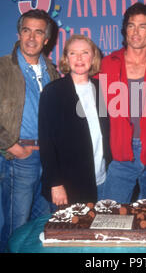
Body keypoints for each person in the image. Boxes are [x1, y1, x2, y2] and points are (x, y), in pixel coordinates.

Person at [0, 9, 61, 252]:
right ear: (19, 34)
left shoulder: (52, 71)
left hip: (49, 160)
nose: (31, 37)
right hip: (21, 159)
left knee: (43, 227)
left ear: (47, 39)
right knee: (16, 228)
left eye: (38, 32)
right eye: (26, 30)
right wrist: (14, 147)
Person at [99, 2, 146, 203]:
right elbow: (94, 103)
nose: (135, 31)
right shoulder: (108, 63)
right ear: (125, 29)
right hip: (120, 152)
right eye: (131, 25)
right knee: (111, 218)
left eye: (142, 26)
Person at [39, 34, 111, 207]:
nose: (79, 58)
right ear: (66, 58)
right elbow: (46, 142)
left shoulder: (100, 88)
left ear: (93, 57)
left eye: (85, 52)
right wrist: (55, 184)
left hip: (102, 181)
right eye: (73, 53)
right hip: (68, 186)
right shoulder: (53, 92)